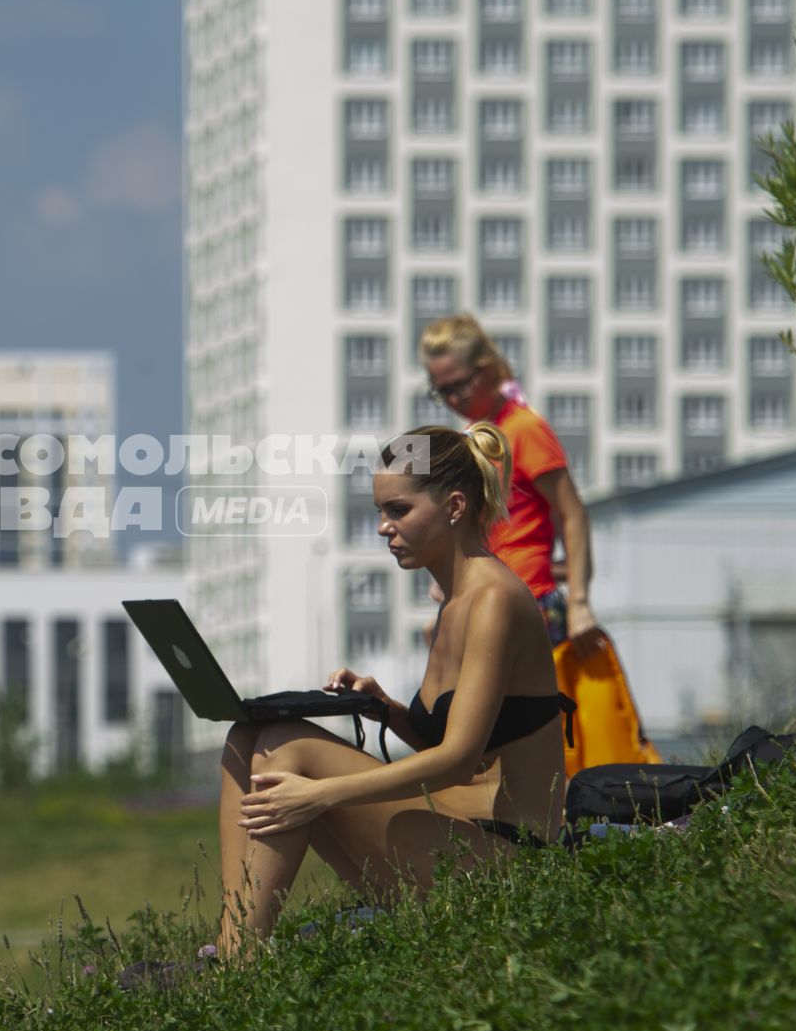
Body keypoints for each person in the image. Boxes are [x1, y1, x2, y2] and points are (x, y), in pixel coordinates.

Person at [216, 424, 571, 953]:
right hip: (460, 825)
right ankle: (232, 945)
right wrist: (389, 711)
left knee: (287, 747)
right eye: (381, 511)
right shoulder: (454, 602)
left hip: (511, 859)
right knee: (248, 738)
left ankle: (237, 964)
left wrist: (315, 796)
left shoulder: (494, 599)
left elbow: (456, 760)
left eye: (398, 510)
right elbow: (460, 747)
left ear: (454, 506)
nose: (383, 527)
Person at [418, 314, 598, 646]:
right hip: (488, 597)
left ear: (486, 370)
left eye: (458, 385)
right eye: (441, 391)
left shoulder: (523, 428)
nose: (453, 400)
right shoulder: (474, 436)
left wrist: (579, 603)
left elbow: (573, 514)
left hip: (528, 603)